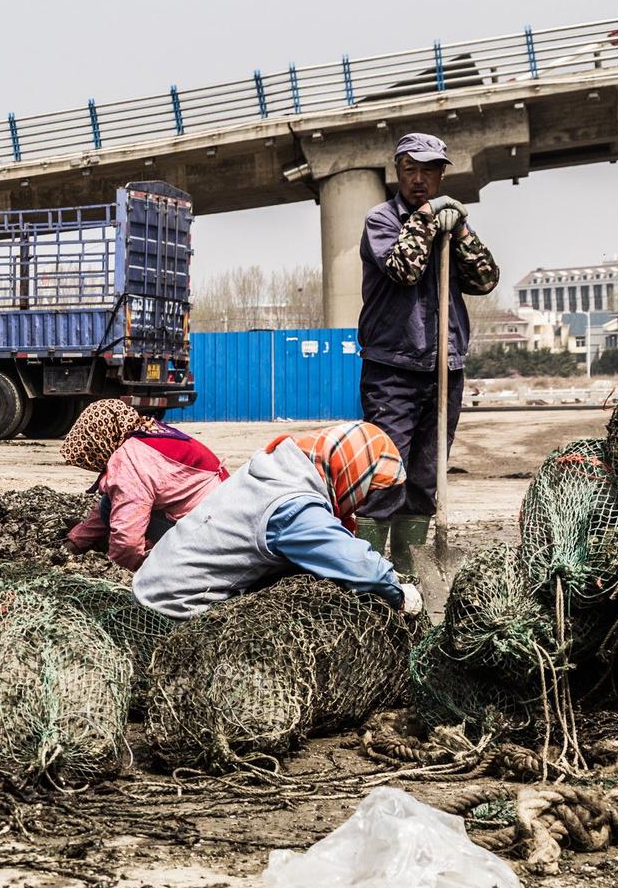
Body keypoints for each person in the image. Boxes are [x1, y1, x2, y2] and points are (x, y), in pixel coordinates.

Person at [356, 133, 500, 572]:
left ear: (442, 174)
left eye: (428, 171)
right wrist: (423, 219)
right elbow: (405, 269)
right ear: (398, 172)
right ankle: (366, 570)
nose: (418, 179)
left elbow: (485, 280)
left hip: (444, 367)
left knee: (425, 477)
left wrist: (460, 230)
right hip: (393, 367)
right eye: (409, 170)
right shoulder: (381, 221)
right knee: (385, 472)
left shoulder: (451, 226)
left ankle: (410, 567)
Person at [133, 421, 422, 619]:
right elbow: (358, 566)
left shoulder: (282, 467)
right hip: (176, 606)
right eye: (366, 489)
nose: (362, 500)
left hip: (155, 582)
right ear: (355, 471)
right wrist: (396, 592)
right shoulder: (292, 505)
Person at [60, 399, 227, 571]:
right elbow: (118, 499)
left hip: (208, 536)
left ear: (99, 441)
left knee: (109, 508)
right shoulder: (148, 431)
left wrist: (117, 571)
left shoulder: (129, 459)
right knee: (109, 503)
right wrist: (77, 540)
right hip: (222, 522)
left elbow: (127, 539)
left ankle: (161, 562)